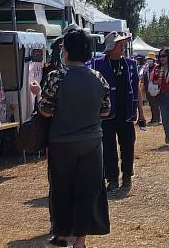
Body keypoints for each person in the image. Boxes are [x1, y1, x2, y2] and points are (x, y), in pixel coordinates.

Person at [33, 28, 110, 247]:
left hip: (62, 142)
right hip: (93, 142)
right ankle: (81, 241)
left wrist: (38, 94)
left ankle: (62, 234)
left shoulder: (57, 77)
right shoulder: (98, 78)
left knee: (62, 189)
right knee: (88, 190)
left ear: (66, 50)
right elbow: (105, 111)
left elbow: (45, 110)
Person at [92, 32, 143, 193]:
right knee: (108, 147)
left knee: (128, 145)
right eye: (119, 44)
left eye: (123, 43)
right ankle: (112, 179)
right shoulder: (97, 64)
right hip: (106, 114)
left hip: (126, 112)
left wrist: (141, 113)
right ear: (111, 47)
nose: (123, 46)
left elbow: (136, 90)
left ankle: (127, 175)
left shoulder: (131, 64)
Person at [142, 54, 161, 125]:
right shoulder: (146, 68)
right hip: (148, 89)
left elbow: (159, 77)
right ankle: (154, 119)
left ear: (154, 60)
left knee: (155, 105)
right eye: (148, 59)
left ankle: (157, 119)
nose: (149, 60)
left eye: (150, 59)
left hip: (155, 88)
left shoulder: (157, 68)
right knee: (151, 105)